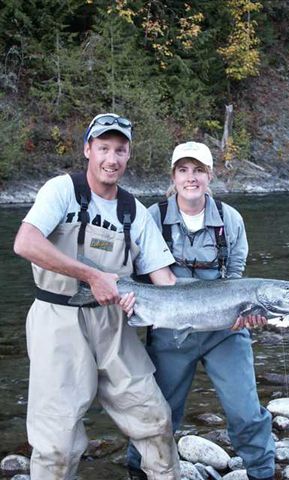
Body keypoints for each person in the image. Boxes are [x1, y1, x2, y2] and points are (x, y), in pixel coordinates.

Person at [13, 113, 181, 480]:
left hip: (114, 325)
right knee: (57, 443)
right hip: (57, 320)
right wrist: (91, 275)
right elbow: (25, 243)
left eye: (120, 150)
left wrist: (228, 311)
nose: (112, 158)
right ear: (88, 149)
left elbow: (165, 282)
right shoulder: (62, 190)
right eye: (103, 148)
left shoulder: (133, 211)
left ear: (128, 156)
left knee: (156, 421)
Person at [127, 142, 275, 480]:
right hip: (168, 332)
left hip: (225, 332)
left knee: (246, 413)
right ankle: (137, 470)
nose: (191, 178)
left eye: (198, 171)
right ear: (173, 176)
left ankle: (263, 472)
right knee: (159, 413)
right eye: (183, 170)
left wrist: (248, 311)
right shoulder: (153, 217)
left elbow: (236, 278)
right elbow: (137, 274)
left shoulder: (230, 219)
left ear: (210, 176)